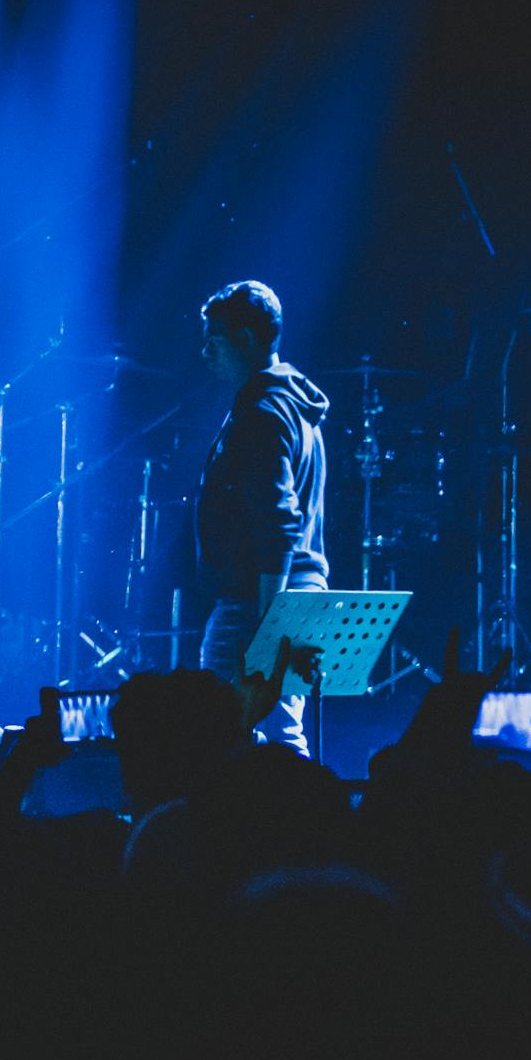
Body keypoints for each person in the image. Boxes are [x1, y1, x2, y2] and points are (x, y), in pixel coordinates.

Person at [192, 280, 331, 752]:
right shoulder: (297, 409)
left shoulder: (261, 413)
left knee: (218, 733)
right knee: (282, 735)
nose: (206, 353)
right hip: (300, 594)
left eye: (215, 341)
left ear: (246, 340)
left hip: (258, 600)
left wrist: (269, 624)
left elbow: (276, 525)